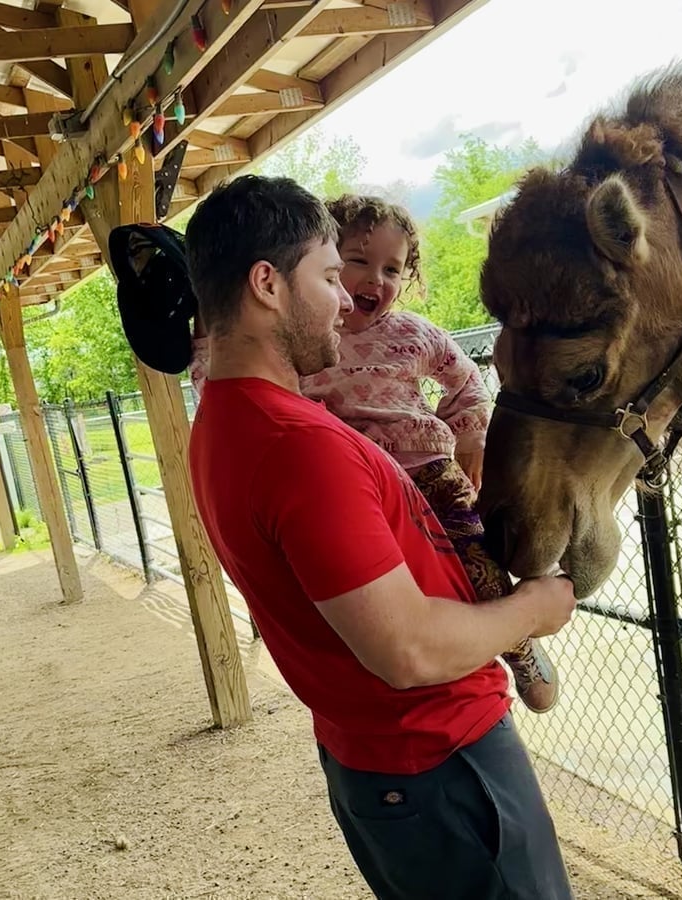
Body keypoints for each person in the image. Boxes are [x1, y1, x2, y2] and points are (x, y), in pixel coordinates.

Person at [185, 174, 577, 900]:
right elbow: (407, 649)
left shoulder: (220, 426)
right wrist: (535, 612)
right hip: (442, 763)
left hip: (376, 766)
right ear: (267, 284)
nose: (345, 297)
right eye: (332, 274)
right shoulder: (299, 444)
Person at [189, 193, 560, 714]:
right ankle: (497, 637)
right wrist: (209, 325)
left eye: (392, 269)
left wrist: (472, 433)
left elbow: (465, 383)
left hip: (429, 470)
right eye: (352, 264)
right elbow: (222, 372)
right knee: (388, 593)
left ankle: (521, 650)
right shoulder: (303, 349)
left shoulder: (413, 334)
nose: (372, 282)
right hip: (358, 487)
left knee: (478, 566)